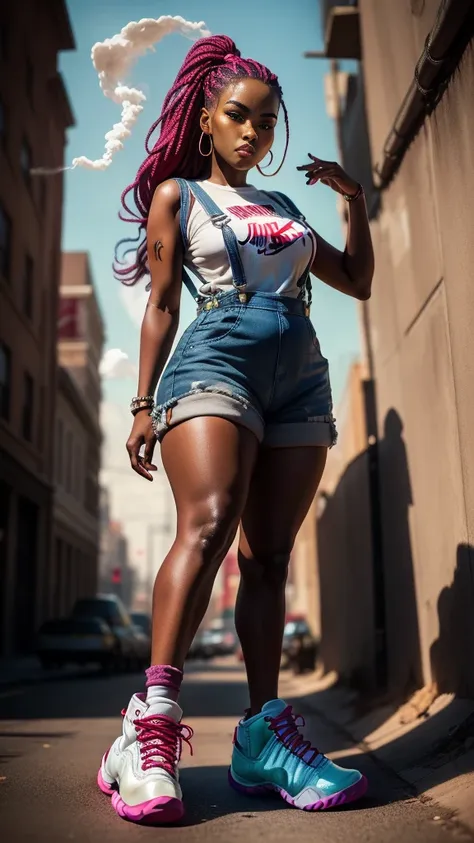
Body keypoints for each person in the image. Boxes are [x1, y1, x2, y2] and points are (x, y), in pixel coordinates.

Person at [97, 33, 374, 826]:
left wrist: (353, 199)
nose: (253, 133)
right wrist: (143, 404)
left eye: (267, 121)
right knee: (211, 522)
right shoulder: (180, 197)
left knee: (270, 554)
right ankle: (146, 727)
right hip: (216, 358)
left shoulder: (286, 210)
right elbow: (160, 303)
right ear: (207, 121)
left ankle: (262, 738)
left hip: (300, 377)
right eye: (238, 117)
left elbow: (354, 279)